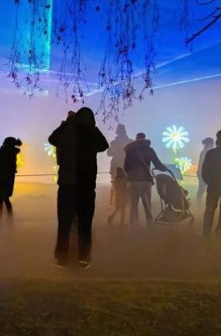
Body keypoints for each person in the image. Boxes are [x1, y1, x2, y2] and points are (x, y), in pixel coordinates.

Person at [48, 108, 109, 268]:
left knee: (64, 223)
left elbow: (53, 139)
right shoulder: (92, 134)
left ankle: (62, 256)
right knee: (85, 223)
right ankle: (83, 257)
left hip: (67, 184)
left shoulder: (68, 132)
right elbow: (104, 145)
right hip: (86, 185)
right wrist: (92, 128)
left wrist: (67, 123)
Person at [123, 133, 169, 230]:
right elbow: (157, 164)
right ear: (144, 139)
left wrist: (130, 176)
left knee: (133, 205)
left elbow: (126, 167)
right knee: (147, 204)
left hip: (132, 181)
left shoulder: (130, 151)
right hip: (145, 181)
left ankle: (133, 226)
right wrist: (165, 169)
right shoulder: (149, 150)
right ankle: (150, 225)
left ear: (136, 139)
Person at [0, 137, 22, 224]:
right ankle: (10, 219)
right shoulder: (14, 151)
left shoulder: (3, 150)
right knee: (6, 199)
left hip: (2, 177)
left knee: (0, 199)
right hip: (10, 178)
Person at [196, 137, 215, 203]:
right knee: (203, 189)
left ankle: (199, 202)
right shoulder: (206, 152)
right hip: (204, 174)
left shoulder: (204, 152)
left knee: (202, 190)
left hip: (203, 173)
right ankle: (200, 203)